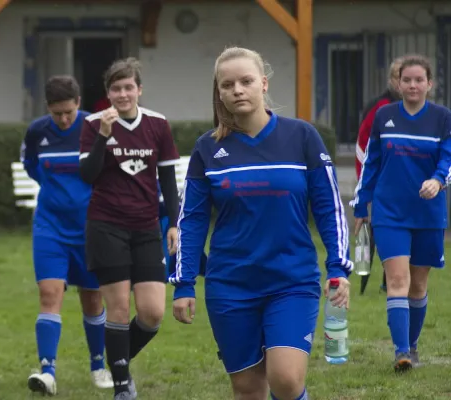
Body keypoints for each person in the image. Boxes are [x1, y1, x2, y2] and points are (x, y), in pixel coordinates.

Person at [169, 46, 352, 400]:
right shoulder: (208, 148)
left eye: (246, 81)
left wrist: (338, 266)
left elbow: (329, 207)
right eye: (228, 84)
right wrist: (184, 283)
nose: (237, 89)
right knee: (248, 388)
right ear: (219, 93)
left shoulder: (302, 137)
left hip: (291, 280)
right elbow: (190, 221)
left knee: (285, 380)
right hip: (230, 285)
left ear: (263, 83)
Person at [79, 57, 180, 400]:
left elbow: (167, 176)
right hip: (106, 225)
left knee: (152, 313)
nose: (122, 94)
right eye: (115, 89)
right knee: (119, 308)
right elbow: (88, 175)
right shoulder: (94, 124)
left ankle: (117, 362)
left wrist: (175, 224)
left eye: (128, 88)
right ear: (108, 93)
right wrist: (104, 137)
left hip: (146, 226)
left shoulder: (158, 124)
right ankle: (122, 386)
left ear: (139, 89)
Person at [351, 54, 451, 372]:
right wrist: (361, 204)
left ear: (429, 84)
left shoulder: (442, 117)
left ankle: (413, 344)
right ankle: (401, 352)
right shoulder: (384, 116)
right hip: (389, 211)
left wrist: (438, 181)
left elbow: (449, 159)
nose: (412, 85)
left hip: (428, 213)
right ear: (398, 83)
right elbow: (372, 162)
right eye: (406, 79)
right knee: (397, 280)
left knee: (418, 287)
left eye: (419, 79)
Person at [20, 75, 113, 396]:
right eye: (57, 113)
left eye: (69, 112)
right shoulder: (37, 131)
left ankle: (98, 365)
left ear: (78, 105)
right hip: (50, 227)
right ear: (48, 108)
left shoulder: (94, 126)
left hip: (90, 227)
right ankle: (47, 373)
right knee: (49, 294)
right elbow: (31, 166)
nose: (63, 119)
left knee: (92, 297)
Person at [355, 56, 404, 295]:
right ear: (393, 80)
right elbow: (362, 145)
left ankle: (390, 279)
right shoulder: (380, 106)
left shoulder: (417, 109)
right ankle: (364, 277)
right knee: (374, 231)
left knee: (401, 231)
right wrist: (365, 182)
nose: (406, 83)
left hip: (407, 182)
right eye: (400, 77)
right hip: (380, 180)